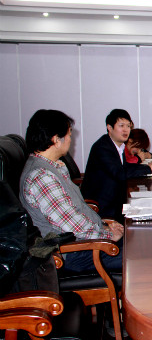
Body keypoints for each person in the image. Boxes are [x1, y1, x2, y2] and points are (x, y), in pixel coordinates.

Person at [19, 109, 123, 272]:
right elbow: (73, 227)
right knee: (139, 255)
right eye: (68, 135)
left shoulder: (52, 167)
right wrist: (109, 235)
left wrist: (104, 226)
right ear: (56, 140)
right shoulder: (42, 176)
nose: (70, 139)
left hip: (83, 242)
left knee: (139, 240)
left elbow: (74, 209)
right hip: (73, 252)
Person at [82, 109, 152, 221]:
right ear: (110, 127)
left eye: (128, 126)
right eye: (121, 125)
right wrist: (148, 169)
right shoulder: (103, 147)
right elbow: (119, 173)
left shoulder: (117, 145)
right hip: (102, 207)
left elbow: (124, 167)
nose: (126, 130)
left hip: (115, 200)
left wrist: (147, 168)